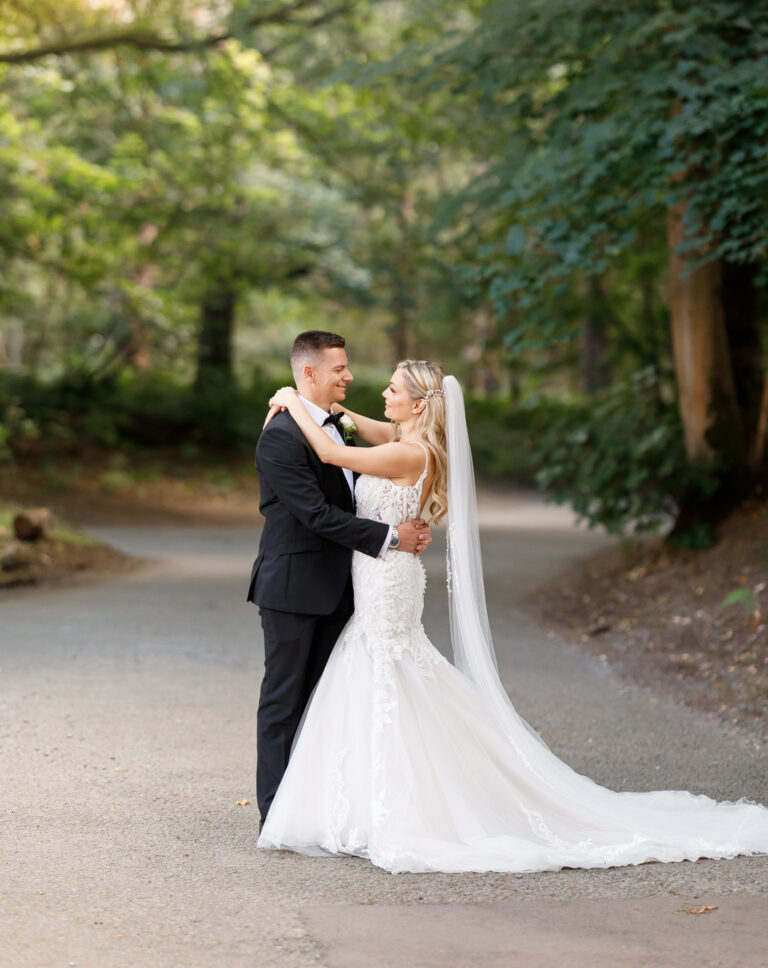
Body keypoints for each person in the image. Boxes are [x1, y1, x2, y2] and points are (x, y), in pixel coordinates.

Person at [257, 357, 768, 874]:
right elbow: (355, 425)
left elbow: (330, 451)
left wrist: (291, 399)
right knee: (385, 673)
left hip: (388, 578)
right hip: (383, 574)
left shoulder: (408, 453)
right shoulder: (404, 438)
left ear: (418, 404)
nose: (382, 394)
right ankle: (363, 801)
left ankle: (397, 803)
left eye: (392, 389)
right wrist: (324, 407)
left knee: (389, 670)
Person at [248, 331, 431, 825]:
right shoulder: (282, 435)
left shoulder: (338, 425)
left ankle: (326, 806)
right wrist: (392, 536)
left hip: (349, 588)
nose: (349, 376)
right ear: (309, 373)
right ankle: (275, 815)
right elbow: (316, 514)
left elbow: (356, 480)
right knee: (284, 701)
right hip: (294, 588)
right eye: (339, 369)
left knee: (334, 701)